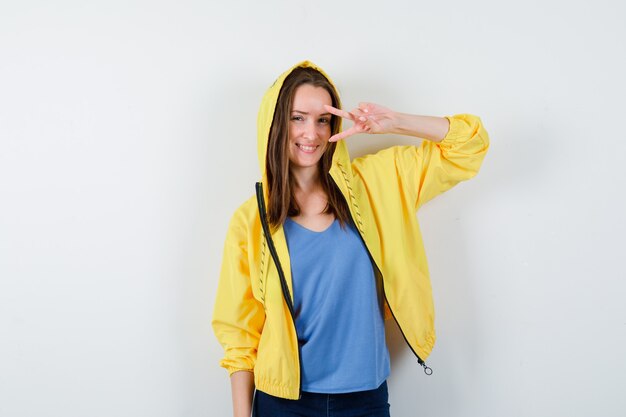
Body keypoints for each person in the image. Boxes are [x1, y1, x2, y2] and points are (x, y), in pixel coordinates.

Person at [212, 60, 490, 417]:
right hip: (283, 403)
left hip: (365, 400)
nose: (310, 133)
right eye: (298, 118)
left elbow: (469, 147)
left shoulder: (378, 182)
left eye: (322, 119)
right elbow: (239, 333)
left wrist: (396, 122)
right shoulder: (251, 220)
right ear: (275, 124)